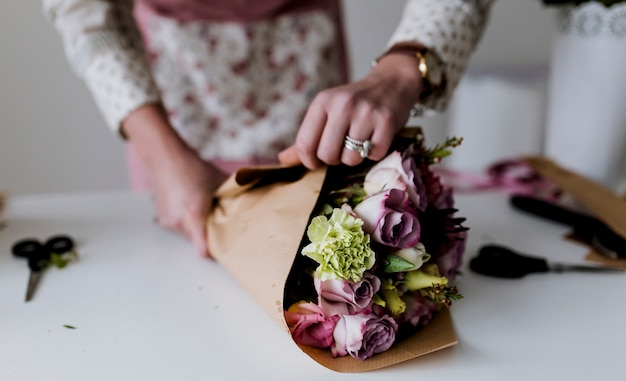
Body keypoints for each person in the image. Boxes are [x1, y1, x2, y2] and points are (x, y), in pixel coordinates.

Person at [43, 0, 494, 258]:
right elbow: (83, 15)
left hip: (314, 106)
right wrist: (162, 156)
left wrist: (400, 70)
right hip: (173, 123)